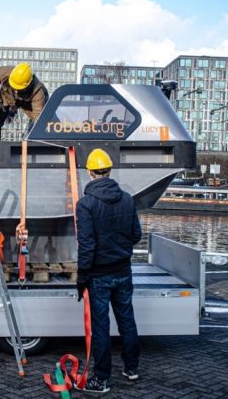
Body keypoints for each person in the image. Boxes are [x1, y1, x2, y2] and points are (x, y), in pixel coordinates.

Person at [75, 148, 142, 394]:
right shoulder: (127, 198)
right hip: (124, 271)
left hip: (99, 276)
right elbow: (136, 235)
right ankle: (132, 368)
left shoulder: (86, 204)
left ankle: (101, 380)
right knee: (127, 320)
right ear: (109, 170)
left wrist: (81, 278)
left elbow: (87, 246)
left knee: (101, 327)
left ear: (90, 173)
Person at [0, 62, 49, 141]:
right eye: (14, 86)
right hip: (8, 95)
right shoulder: (4, 72)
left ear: (27, 85)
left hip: (28, 103)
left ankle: (31, 146)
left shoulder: (38, 94)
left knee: (36, 127)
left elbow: (38, 119)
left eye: (18, 88)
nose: (16, 90)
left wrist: (36, 133)